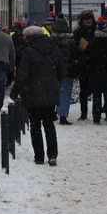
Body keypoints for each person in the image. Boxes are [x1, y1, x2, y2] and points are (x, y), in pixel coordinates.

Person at [10, 24, 67, 166]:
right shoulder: (55, 49)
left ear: (31, 37)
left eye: (25, 37)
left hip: (33, 94)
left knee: (35, 125)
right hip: (51, 93)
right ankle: (52, 155)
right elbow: (63, 73)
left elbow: (22, 75)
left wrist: (15, 92)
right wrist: (53, 83)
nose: (23, 39)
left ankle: (39, 156)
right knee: (49, 124)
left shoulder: (28, 52)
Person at [50, 14, 77, 125]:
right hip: (67, 71)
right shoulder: (70, 40)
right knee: (65, 93)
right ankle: (63, 116)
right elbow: (75, 55)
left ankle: (51, 112)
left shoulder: (50, 41)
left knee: (52, 92)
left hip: (52, 71)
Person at [71, 10, 96, 121]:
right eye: (86, 19)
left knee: (96, 91)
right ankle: (84, 113)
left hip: (95, 65)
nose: (88, 21)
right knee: (84, 91)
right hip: (83, 65)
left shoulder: (97, 31)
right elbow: (75, 49)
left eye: (89, 18)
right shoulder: (77, 33)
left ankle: (97, 112)